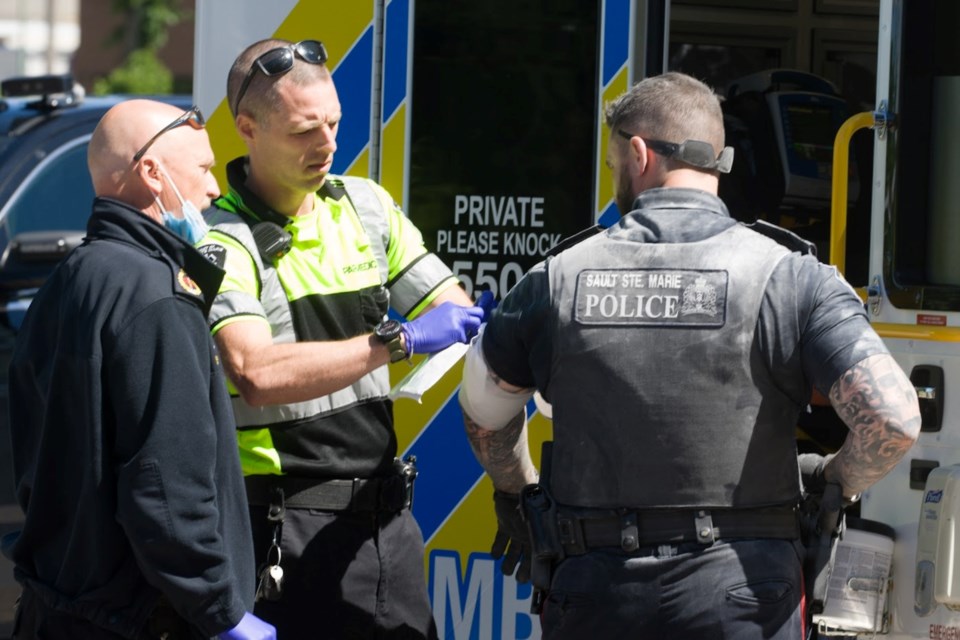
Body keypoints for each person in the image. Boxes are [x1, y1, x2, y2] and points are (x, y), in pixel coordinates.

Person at [457, 72, 921, 640]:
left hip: (598, 591)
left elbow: (485, 411)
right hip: (746, 593)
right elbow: (894, 419)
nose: (614, 180)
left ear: (637, 152)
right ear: (718, 161)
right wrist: (832, 481)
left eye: (612, 167)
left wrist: (519, 490)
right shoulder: (792, 277)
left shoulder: (557, 279)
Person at [196, 38, 482, 639]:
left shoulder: (365, 206)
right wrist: (395, 342)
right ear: (247, 128)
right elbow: (255, 372)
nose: (327, 145)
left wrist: (468, 318)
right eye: (304, 131)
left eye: (333, 123)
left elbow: (447, 304)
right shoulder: (220, 238)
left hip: (384, 525)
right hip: (282, 527)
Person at [4, 100, 275, 639]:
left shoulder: (70, 279)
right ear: (152, 173)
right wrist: (221, 613)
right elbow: (165, 485)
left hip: (59, 610)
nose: (213, 190)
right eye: (201, 169)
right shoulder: (157, 297)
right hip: (140, 620)